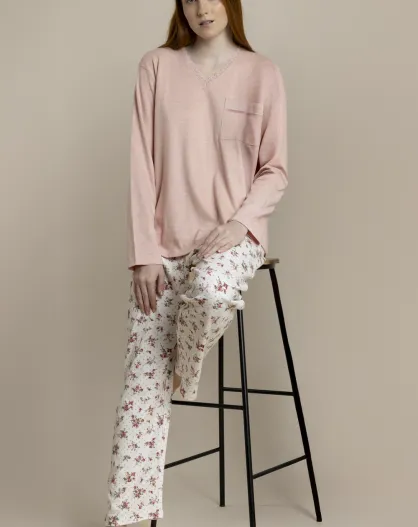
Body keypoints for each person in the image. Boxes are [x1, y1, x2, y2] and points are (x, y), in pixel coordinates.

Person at [104, 0, 288, 525]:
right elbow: (141, 163)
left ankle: (185, 368)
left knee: (209, 292)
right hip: (164, 245)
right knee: (140, 385)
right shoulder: (156, 66)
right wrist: (144, 254)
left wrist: (241, 223)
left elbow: (275, 169)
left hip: (233, 239)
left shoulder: (263, 73)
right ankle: (128, 516)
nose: (202, 8)